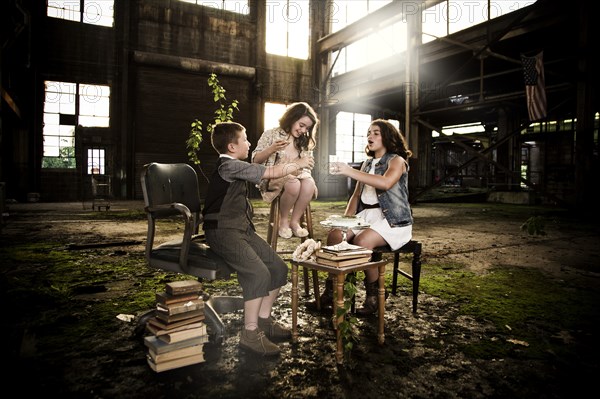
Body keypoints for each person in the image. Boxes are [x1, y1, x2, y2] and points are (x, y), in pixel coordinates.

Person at [201, 121, 314, 355]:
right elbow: (270, 172)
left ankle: (263, 320)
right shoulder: (227, 166)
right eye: (244, 139)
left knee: (278, 268)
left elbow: (257, 166)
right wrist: (298, 163)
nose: (249, 143)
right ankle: (249, 334)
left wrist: (273, 151)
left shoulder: (237, 165)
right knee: (258, 273)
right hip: (222, 231)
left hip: (242, 229)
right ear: (232, 147)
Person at [319, 119, 413, 316]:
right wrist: (345, 221)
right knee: (335, 236)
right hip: (366, 215)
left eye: (376, 133)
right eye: (368, 133)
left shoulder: (396, 160)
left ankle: (375, 295)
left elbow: (386, 183)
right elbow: (356, 196)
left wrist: (349, 171)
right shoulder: (367, 163)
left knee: (362, 242)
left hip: (391, 219)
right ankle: (332, 290)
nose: (370, 136)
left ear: (387, 136)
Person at [251, 102, 319, 239]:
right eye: (301, 125)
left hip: (297, 175)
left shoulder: (303, 142)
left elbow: (305, 166)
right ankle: (283, 221)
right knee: (293, 184)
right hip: (274, 176)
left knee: (309, 184)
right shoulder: (271, 134)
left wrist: (306, 164)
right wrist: (272, 149)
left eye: (307, 128)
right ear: (292, 118)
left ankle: (294, 222)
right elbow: (255, 160)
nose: (303, 130)